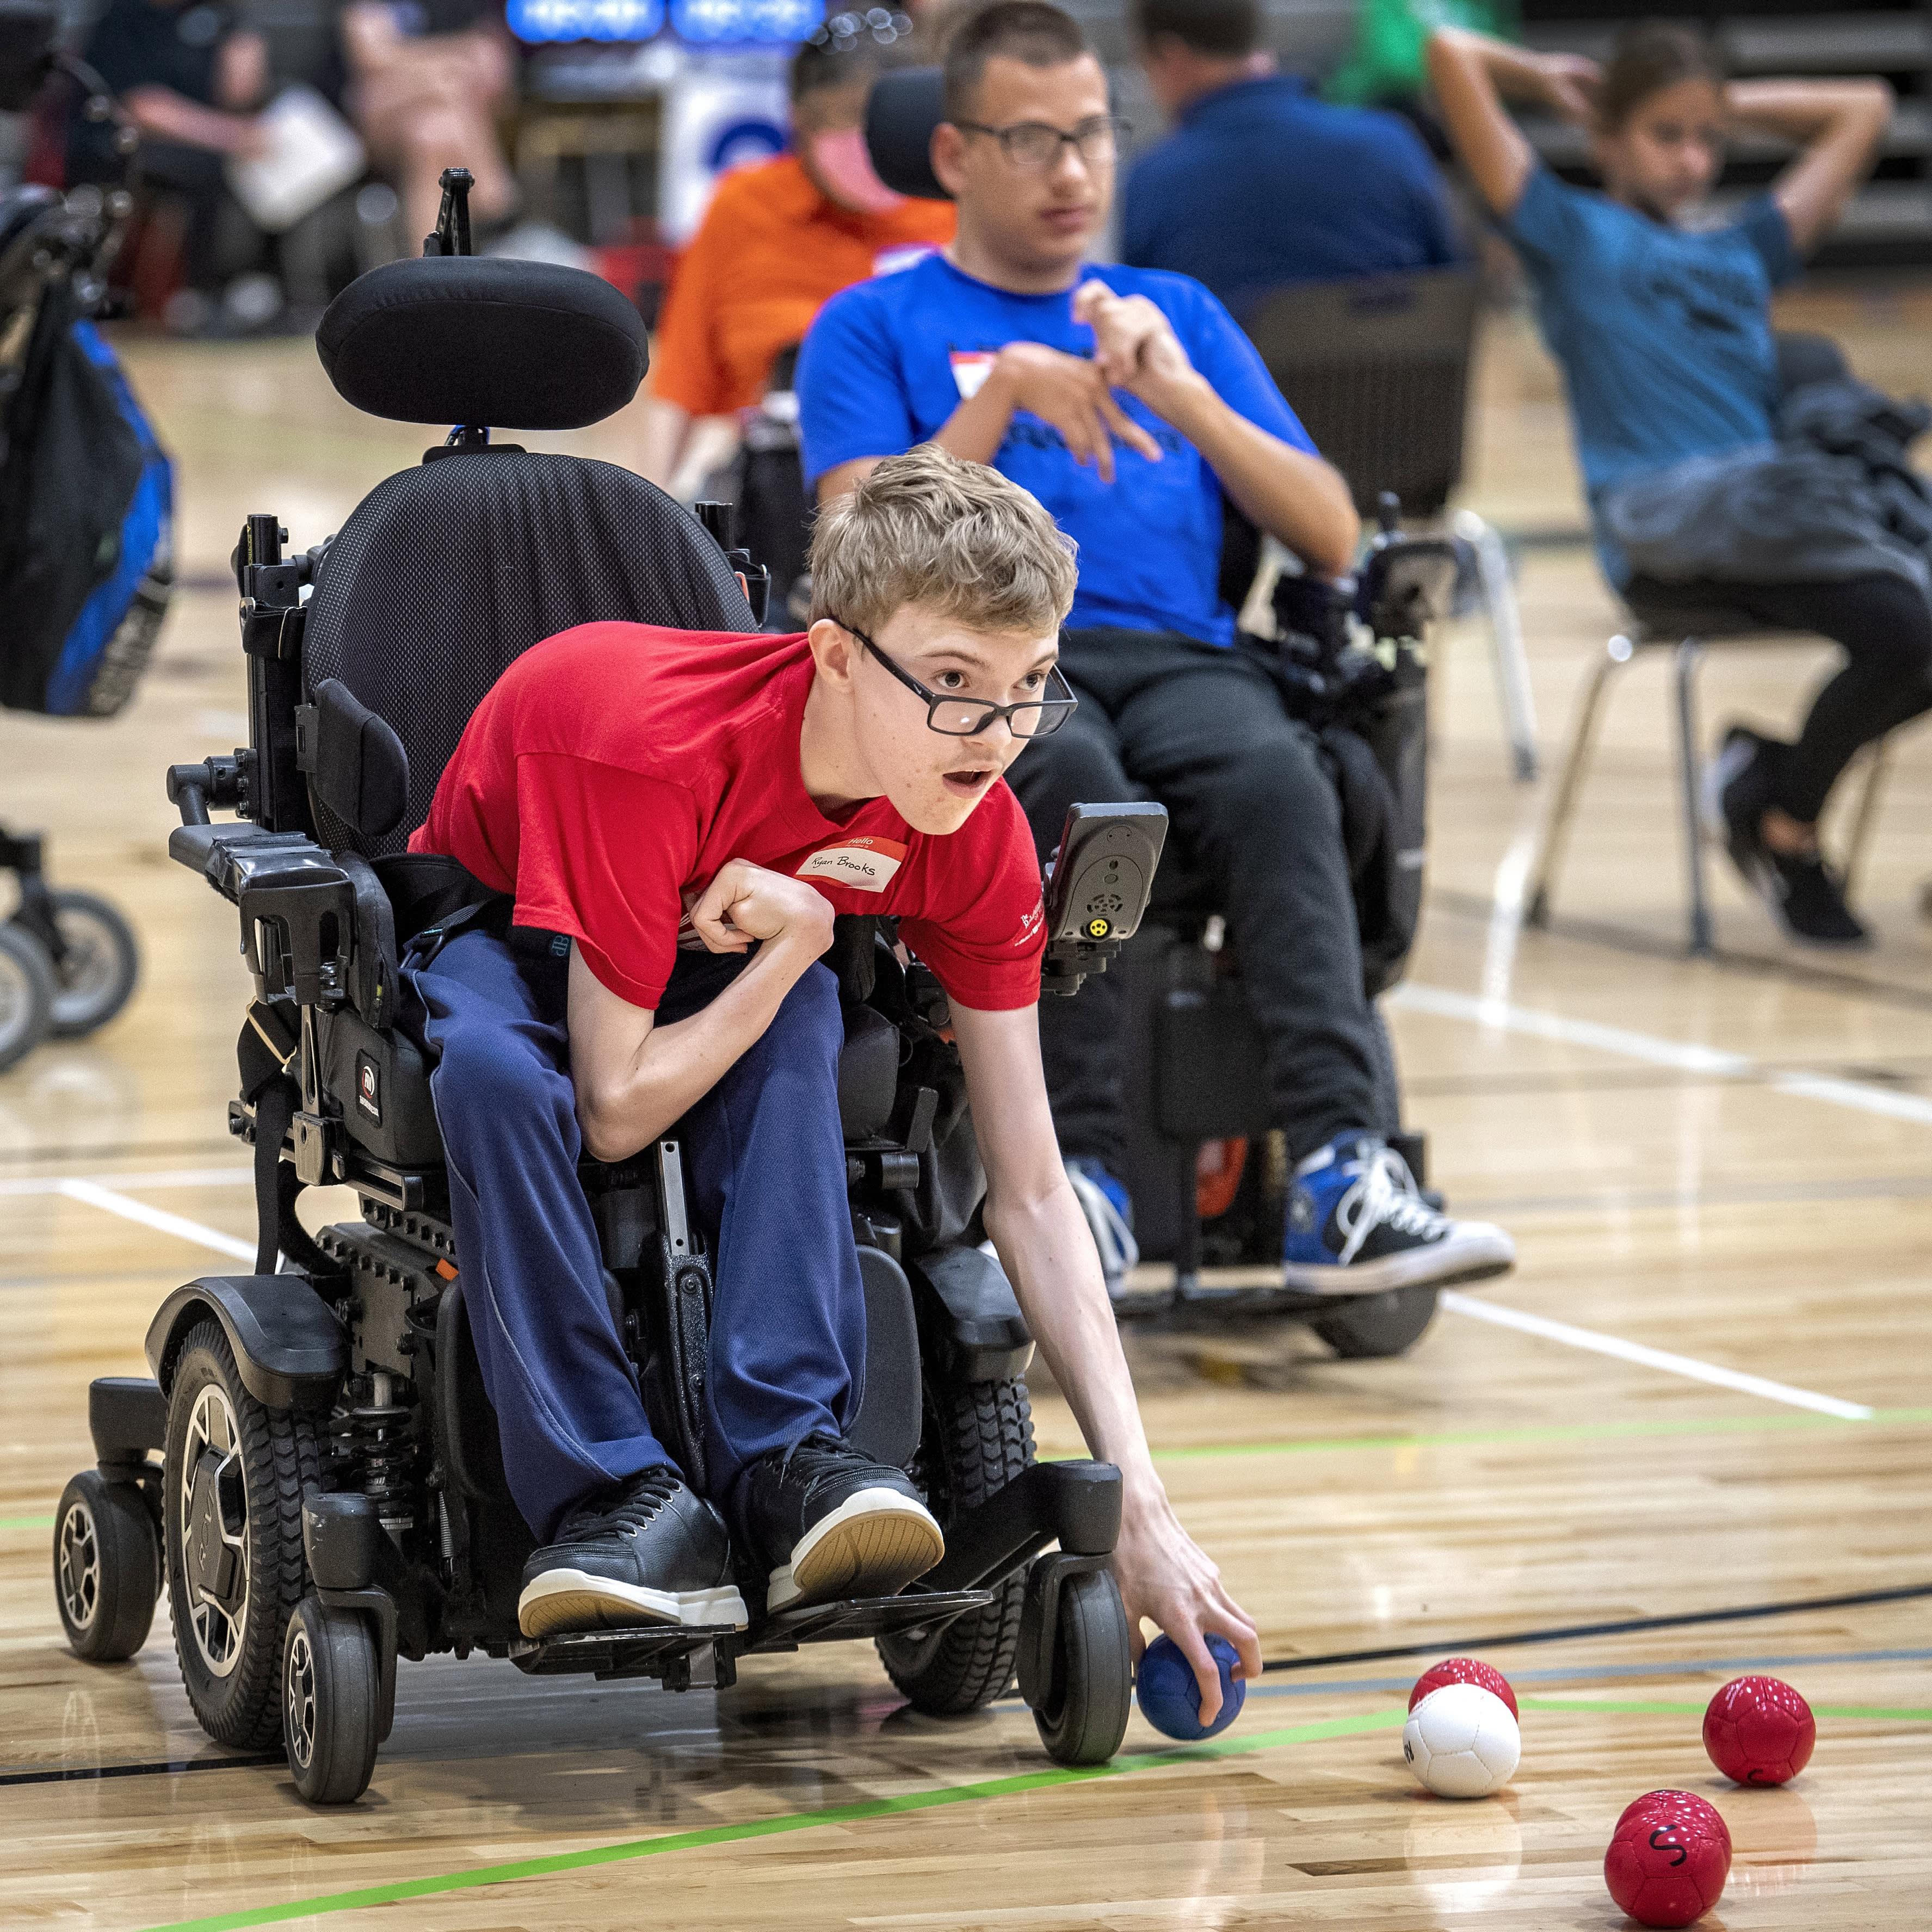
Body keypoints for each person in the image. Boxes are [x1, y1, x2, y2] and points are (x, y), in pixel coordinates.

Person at [403, 447, 1259, 1721]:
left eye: (1030, 687)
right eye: (956, 686)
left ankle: (792, 1457)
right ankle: (609, 1494)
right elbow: (615, 1103)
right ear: (837, 657)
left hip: (719, 940)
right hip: (510, 917)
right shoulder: (643, 748)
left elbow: (1029, 1190)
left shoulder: (981, 830)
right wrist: (801, 933)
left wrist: (1142, 1499)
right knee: (492, 1075)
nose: (996, 736)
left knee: (808, 1017)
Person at [797, 1, 1515, 1300]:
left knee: (1281, 782)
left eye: (1091, 134)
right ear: (955, 155)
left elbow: (1333, 532)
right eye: (1033, 140)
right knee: (1079, 796)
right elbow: (849, 542)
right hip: (989, 677)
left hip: (1180, 655)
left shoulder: (1168, 307)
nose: (1073, 171)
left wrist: (1180, 391)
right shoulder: (875, 320)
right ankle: (1086, 1184)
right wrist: (1001, 392)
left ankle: (1344, 1174)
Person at [1428, 21, 1923, 947]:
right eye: (1667, 134)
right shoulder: (1572, 233)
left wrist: (1709, 96)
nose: (1694, 158)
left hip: (1770, 514)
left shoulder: (1745, 247)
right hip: (1667, 526)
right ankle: (1782, 818)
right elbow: (1452, 54)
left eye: (1708, 138)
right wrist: (1555, 79)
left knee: (1916, 626)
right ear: (1608, 138)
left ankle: (1774, 798)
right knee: (1906, 613)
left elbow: (1864, 110)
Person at [640, 17, 956, 491]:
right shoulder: (744, 206)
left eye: (891, 125)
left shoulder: (957, 205)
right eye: (851, 119)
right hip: (777, 487)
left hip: (942, 482)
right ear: (800, 118)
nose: (872, 141)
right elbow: (684, 382)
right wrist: (646, 520)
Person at [1122, 0, 1461, 314]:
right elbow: (1455, 289)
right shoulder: (1390, 141)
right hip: (1400, 377)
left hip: (1221, 382)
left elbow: (1146, 331)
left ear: (1170, 55)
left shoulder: (1153, 180)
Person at [67, 0, 269, 304]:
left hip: (197, 143)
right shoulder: (123, 20)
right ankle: (199, 295)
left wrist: (245, 60)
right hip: (118, 147)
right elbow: (141, 107)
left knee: (272, 166)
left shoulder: (214, 17)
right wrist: (229, 134)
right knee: (214, 169)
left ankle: (259, 289)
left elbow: (236, 102)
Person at [341, 0, 517, 250]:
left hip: (437, 124)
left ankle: (428, 273)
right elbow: (373, 55)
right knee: (444, 85)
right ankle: (495, 202)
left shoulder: (462, 8)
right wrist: (451, 61)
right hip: (372, 119)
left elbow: (492, 68)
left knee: (432, 133)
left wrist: (414, 59)